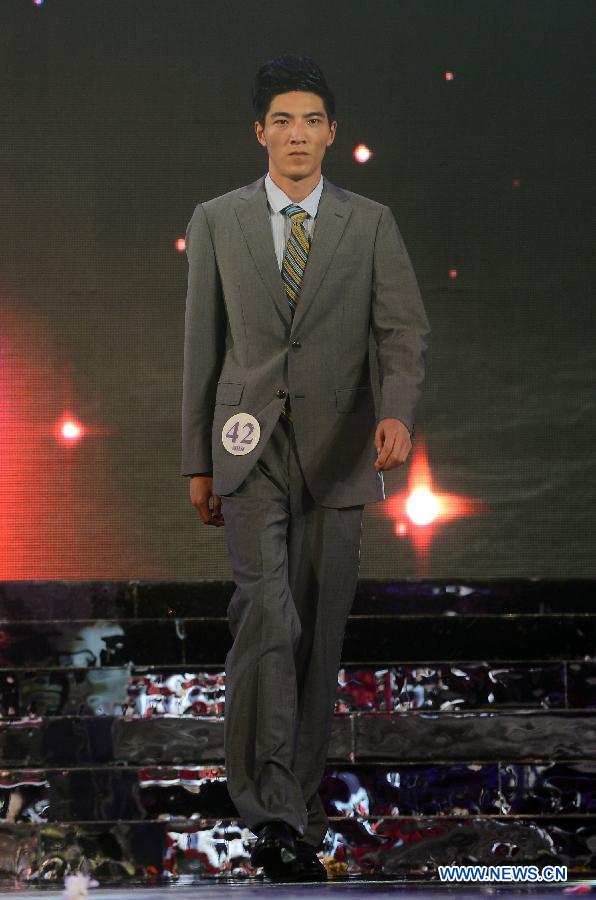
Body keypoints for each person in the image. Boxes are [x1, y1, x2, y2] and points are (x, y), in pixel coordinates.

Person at [181, 54, 430, 881]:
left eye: (311, 120)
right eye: (281, 120)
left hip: (343, 448)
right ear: (261, 133)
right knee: (267, 618)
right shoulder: (218, 220)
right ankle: (268, 809)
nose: (297, 134)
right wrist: (197, 460)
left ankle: (296, 800)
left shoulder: (370, 224)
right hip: (248, 448)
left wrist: (396, 413)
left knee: (317, 633)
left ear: (331, 133)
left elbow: (401, 333)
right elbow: (201, 349)